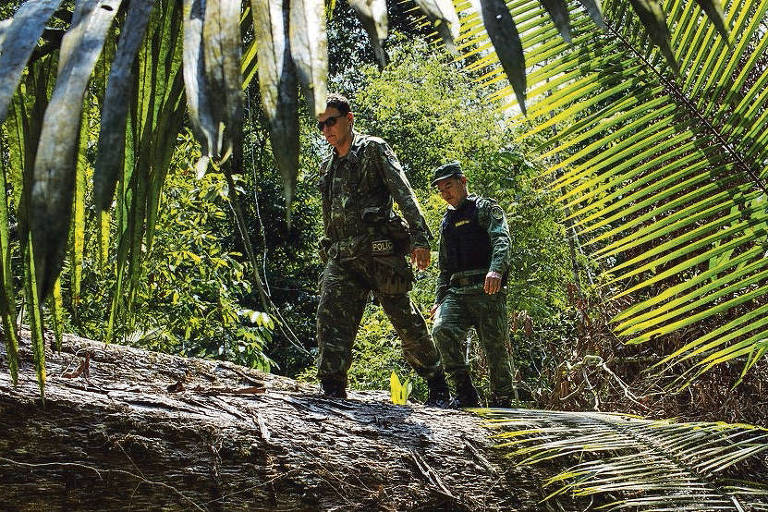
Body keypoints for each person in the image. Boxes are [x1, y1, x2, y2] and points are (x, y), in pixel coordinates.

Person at [315, 93, 449, 405]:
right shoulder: (327, 167)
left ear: (349, 119)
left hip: (379, 253)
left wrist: (420, 238)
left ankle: (438, 383)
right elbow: (329, 215)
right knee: (330, 316)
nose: (326, 130)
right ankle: (332, 389)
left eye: (331, 121)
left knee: (406, 321)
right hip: (344, 257)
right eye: (321, 125)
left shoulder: (373, 149)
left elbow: (403, 192)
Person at [430, 161, 516, 408]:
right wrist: (439, 300)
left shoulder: (485, 208)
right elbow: (444, 268)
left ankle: (503, 401)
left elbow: (502, 240)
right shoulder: (446, 222)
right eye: (441, 189)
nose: (446, 193)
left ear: (463, 181)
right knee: (441, 330)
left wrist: (496, 270)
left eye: (449, 186)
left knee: (495, 348)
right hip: (457, 292)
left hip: (487, 290)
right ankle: (465, 393)